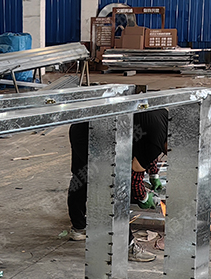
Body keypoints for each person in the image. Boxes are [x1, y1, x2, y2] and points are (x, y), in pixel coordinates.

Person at [67, 109, 168, 263]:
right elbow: (134, 176)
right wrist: (143, 197)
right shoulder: (157, 139)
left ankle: (78, 227)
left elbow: (149, 149)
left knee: (81, 177)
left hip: (82, 126)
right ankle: (126, 246)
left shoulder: (164, 118)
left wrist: (154, 175)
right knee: (112, 187)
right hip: (95, 136)